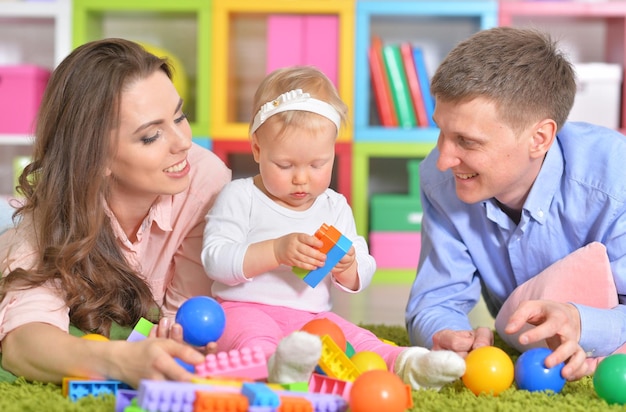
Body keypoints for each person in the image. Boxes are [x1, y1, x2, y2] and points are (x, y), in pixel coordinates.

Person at [202, 65, 465, 390]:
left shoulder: (333, 205)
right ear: (257, 149)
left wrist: (348, 266)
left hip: (311, 318)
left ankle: (410, 364)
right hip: (243, 309)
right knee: (254, 338)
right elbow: (215, 260)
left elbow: (364, 270)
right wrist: (275, 251)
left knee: (357, 340)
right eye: (284, 165)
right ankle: (277, 368)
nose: (301, 178)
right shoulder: (241, 196)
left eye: (318, 164)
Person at [0, 38, 231, 387]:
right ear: (97, 157)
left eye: (180, 116)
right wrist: (120, 361)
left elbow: (183, 317)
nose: (184, 142)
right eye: (151, 136)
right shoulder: (49, 219)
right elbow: (22, 344)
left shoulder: (206, 182)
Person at [405, 26, 626, 381]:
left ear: (539, 138)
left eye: (467, 141)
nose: (444, 159)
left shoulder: (615, 181)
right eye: (441, 131)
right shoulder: (440, 179)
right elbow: (435, 300)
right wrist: (446, 333)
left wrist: (583, 321)